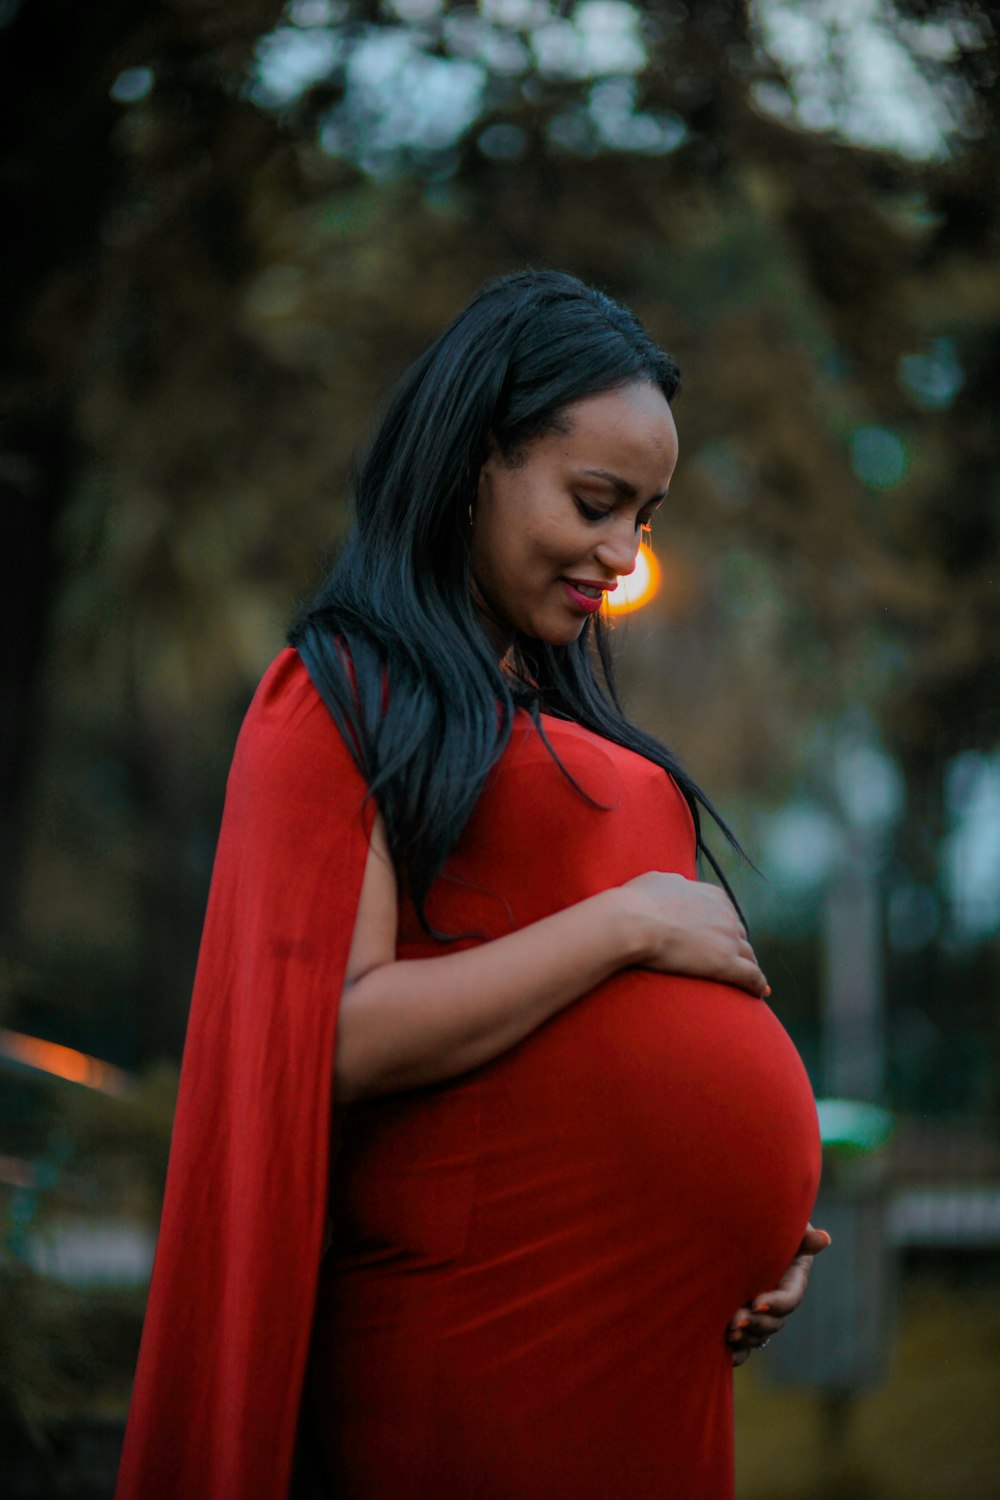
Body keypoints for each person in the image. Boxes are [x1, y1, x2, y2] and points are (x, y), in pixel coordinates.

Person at [116, 270, 829, 1500]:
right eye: (595, 502)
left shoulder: (546, 705)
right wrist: (621, 926)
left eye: (645, 518)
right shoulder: (335, 694)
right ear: (471, 460)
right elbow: (330, 1037)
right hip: (480, 1349)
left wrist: (765, 1239)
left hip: (647, 1352)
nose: (620, 555)